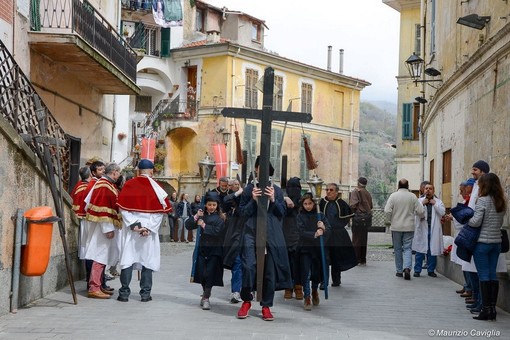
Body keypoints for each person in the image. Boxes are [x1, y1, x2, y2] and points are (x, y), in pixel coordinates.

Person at [236, 156, 292, 321]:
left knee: (269, 270)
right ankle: (246, 300)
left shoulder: (276, 190)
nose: (262, 171)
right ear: (257, 169)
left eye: (266, 168)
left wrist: (273, 199)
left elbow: (282, 213)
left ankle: (266, 305)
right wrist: (253, 201)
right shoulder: (248, 189)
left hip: (271, 234)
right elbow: (242, 213)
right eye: (260, 167)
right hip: (250, 232)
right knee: (248, 266)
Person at [116, 159, 172, 302]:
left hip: (132, 229)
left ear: (138, 170)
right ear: (151, 171)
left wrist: (135, 225)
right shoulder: (157, 187)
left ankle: (124, 294)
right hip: (148, 231)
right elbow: (160, 212)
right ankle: (145, 294)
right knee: (147, 260)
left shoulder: (129, 185)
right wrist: (148, 228)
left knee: (128, 260)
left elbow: (123, 208)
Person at [469, 173, 506, 321]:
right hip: (496, 243)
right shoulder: (501, 201)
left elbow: (476, 222)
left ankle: (485, 310)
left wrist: (467, 220)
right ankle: (492, 309)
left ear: (484, 185)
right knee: (492, 275)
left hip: (482, 244)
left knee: (483, 275)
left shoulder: (482, 201)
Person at [83, 163, 122, 298]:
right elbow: (103, 209)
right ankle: (94, 287)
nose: (119, 176)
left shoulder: (105, 184)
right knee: (99, 256)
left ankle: (99, 285)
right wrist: (108, 229)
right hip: (103, 228)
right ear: (115, 172)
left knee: (102, 256)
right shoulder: (104, 186)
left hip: (103, 226)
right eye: (119, 173)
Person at [185, 191, 225, 310]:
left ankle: (206, 297)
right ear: (206, 205)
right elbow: (188, 225)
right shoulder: (202, 215)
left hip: (214, 250)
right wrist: (196, 216)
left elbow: (218, 232)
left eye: (214, 205)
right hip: (202, 249)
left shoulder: (220, 218)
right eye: (209, 205)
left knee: (210, 274)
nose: (212, 207)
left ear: (217, 205)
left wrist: (204, 226)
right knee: (202, 273)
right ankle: (205, 294)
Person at [384, 179, 425, 280]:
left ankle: (399, 271)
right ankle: (407, 268)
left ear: (398, 185)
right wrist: (422, 216)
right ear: (408, 186)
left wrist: (389, 221)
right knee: (408, 248)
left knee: (397, 249)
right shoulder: (412, 196)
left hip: (396, 226)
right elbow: (420, 210)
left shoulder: (393, 196)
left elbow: (387, 210)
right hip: (409, 226)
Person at [297, 193, 330, 310]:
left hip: (317, 249)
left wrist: (323, 228)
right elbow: (300, 232)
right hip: (305, 249)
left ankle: (315, 290)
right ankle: (307, 296)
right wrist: (315, 234)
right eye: (305, 204)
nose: (308, 206)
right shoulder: (300, 216)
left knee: (316, 273)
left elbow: (328, 229)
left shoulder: (320, 215)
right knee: (306, 273)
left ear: (314, 204)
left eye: (310, 203)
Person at [320, 183, 357, 288]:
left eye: (331, 190)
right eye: (327, 189)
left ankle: (336, 279)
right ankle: (324, 281)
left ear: (336, 192)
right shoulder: (321, 203)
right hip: (325, 234)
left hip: (338, 234)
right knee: (324, 257)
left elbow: (346, 217)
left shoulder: (342, 203)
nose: (328, 192)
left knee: (336, 257)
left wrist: (339, 226)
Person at [412, 183, 445, 277]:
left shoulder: (438, 201)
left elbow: (442, 212)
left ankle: (431, 270)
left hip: (433, 229)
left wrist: (435, 205)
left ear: (433, 190)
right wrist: (422, 204)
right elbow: (414, 212)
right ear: (423, 190)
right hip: (422, 229)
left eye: (430, 189)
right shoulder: (419, 201)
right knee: (420, 250)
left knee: (432, 250)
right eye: (426, 188)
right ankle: (417, 270)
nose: (428, 190)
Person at [222, 179, 245, 304]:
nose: (235, 186)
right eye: (234, 185)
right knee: (236, 262)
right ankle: (236, 291)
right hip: (234, 235)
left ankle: (245, 289)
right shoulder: (232, 199)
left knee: (244, 263)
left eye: (238, 185)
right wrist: (238, 192)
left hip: (246, 235)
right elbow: (225, 201)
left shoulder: (247, 201)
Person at [282, 177, 303, 299]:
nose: (293, 190)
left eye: (296, 187)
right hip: (286, 234)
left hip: (299, 234)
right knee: (287, 262)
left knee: (297, 262)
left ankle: (298, 286)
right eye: (291, 187)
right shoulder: (284, 201)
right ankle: (288, 287)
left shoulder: (303, 201)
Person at [349, 177, 373, 266]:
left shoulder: (356, 191)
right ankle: (363, 259)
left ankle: (356, 259)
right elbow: (371, 206)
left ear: (358, 183)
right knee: (363, 239)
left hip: (358, 217)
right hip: (366, 218)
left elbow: (353, 204)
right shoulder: (367, 193)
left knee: (356, 239)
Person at [70, 166, 92, 260]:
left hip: (82, 217)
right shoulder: (87, 187)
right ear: (90, 174)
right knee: (86, 243)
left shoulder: (79, 185)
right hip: (86, 218)